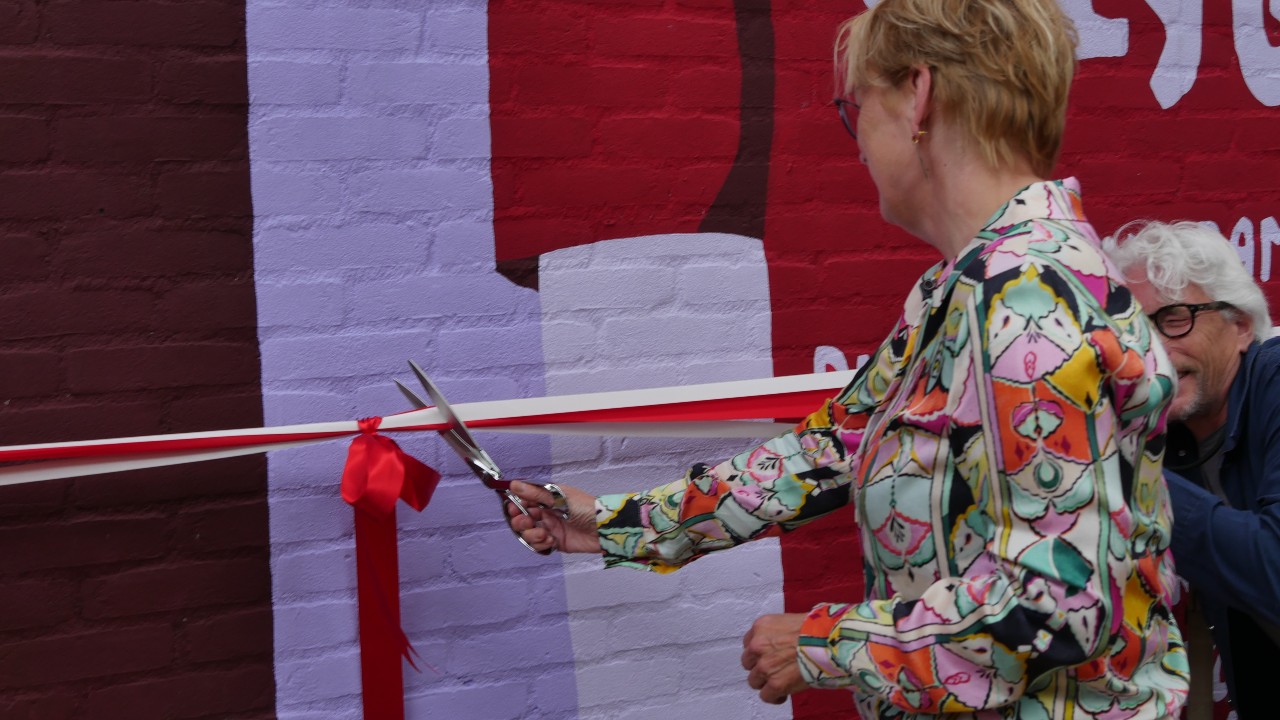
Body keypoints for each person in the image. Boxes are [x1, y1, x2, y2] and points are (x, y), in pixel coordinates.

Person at [508, 0, 1190, 717]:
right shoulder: (967, 287)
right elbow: (834, 448)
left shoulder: (1022, 304)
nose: (858, 140)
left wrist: (825, 643)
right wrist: (615, 525)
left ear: (919, 96)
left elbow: (1057, 603)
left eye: (856, 105)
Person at [1103, 220, 1280, 720]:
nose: (1152, 349)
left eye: (1175, 318)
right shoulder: (1169, 434)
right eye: (1133, 329)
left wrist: (1122, 468)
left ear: (1241, 325)